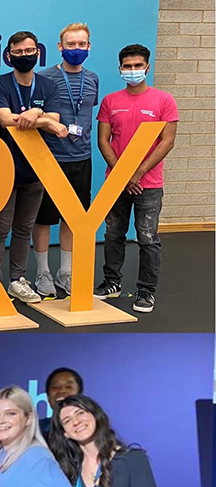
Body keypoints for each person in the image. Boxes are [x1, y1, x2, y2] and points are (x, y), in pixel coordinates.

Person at [0, 31, 67, 303]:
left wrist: (39, 114)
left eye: (29, 51)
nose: (24, 56)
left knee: (24, 228)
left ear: (38, 53)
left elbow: (55, 117)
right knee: (0, 228)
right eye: (18, 52)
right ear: (8, 55)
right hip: (4, 167)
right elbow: (4, 118)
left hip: (36, 169)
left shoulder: (47, 86)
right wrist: (44, 119)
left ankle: (17, 280)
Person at [94, 44, 178, 313]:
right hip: (116, 182)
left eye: (138, 66)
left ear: (147, 67)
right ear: (120, 69)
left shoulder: (164, 101)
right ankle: (111, 283)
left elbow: (167, 141)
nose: (133, 71)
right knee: (114, 233)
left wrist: (138, 172)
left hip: (149, 184)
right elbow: (103, 140)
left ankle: (146, 290)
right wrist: (122, 173)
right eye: (127, 67)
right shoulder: (110, 101)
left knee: (147, 238)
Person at [31, 24, 100, 298]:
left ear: (89, 47)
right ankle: (43, 272)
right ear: (60, 47)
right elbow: (36, 115)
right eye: (70, 45)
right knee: (44, 219)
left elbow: (84, 112)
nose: (76, 49)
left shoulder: (92, 78)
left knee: (74, 218)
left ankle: (66, 272)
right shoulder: (44, 77)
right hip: (49, 158)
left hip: (81, 158)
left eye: (81, 44)